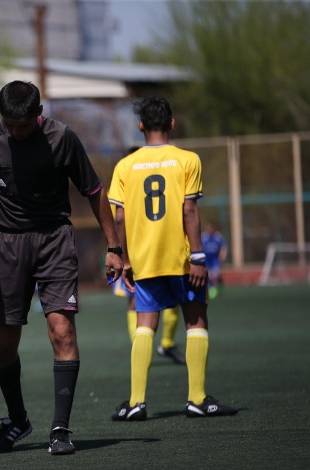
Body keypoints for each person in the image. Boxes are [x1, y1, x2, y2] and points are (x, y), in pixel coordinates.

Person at [0, 81, 123, 456]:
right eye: (9, 124)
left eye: (22, 125)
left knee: (62, 331)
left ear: (38, 114)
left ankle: (60, 428)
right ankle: (17, 420)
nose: (15, 132)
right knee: (3, 346)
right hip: (8, 245)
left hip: (55, 240)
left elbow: (94, 191)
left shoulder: (62, 138)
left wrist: (114, 247)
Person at [108, 96, 238, 421]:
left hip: (144, 260)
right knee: (196, 320)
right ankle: (197, 398)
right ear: (172, 123)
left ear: (140, 125)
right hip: (181, 258)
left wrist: (124, 259)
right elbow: (189, 210)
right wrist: (198, 256)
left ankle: (136, 403)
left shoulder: (125, 166)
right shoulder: (187, 160)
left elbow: (119, 217)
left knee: (145, 324)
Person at [112, 147, 185, 365]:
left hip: (138, 252)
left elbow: (118, 219)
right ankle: (160, 344)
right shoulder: (167, 173)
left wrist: (119, 254)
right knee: (172, 298)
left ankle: (150, 347)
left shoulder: (124, 176)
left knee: (137, 301)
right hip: (165, 248)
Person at [202, 222, 228, 299]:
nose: (209, 230)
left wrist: (222, 257)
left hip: (215, 259)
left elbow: (223, 246)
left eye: (211, 228)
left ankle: (220, 286)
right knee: (208, 275)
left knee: (217, 275)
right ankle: (212, 289)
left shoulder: (218, 237)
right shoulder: (203, 237)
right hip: (207, 260)